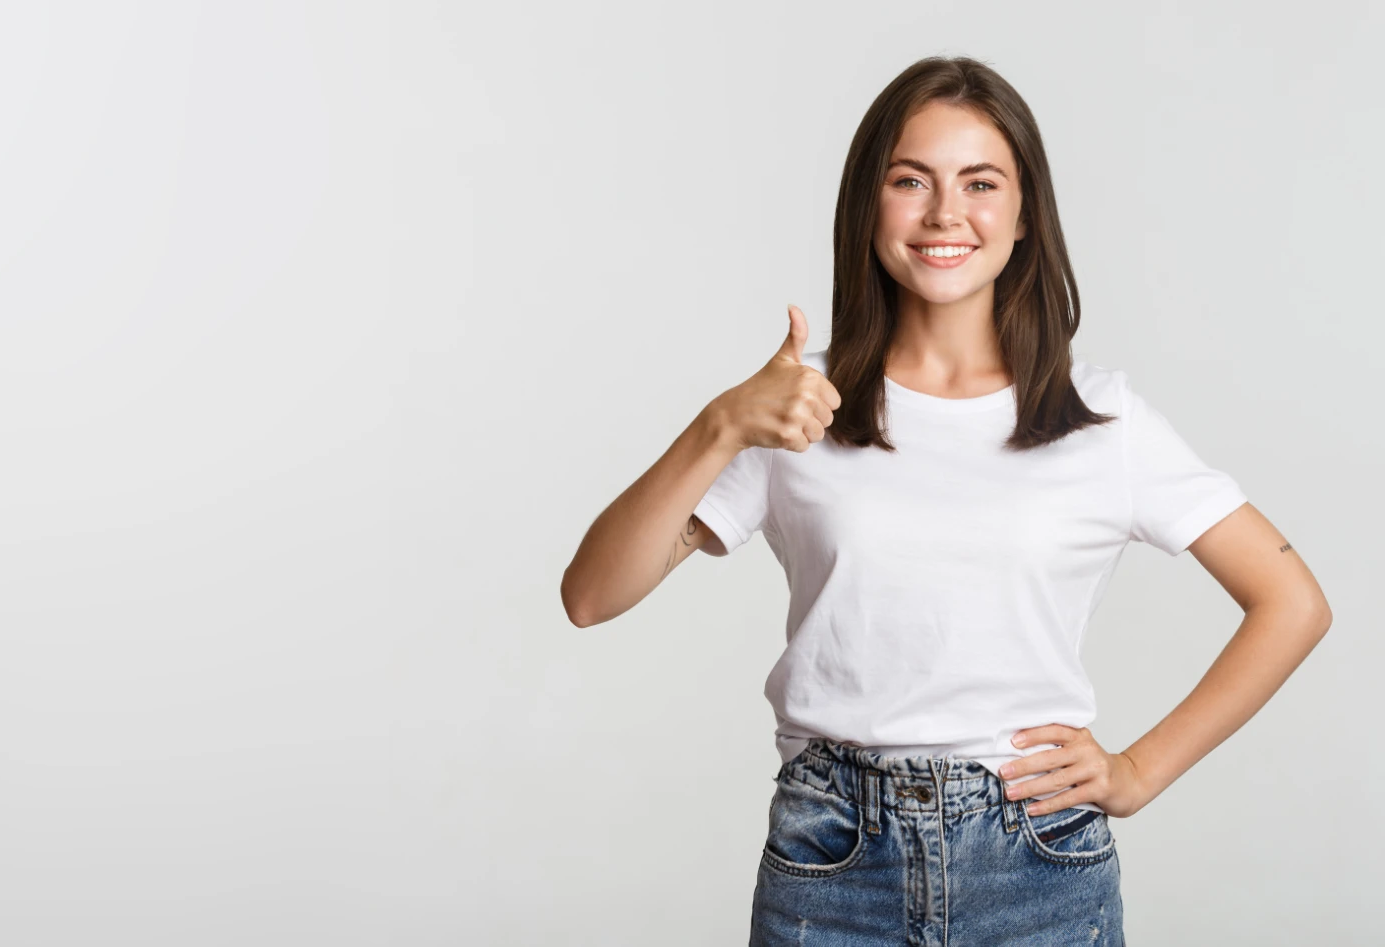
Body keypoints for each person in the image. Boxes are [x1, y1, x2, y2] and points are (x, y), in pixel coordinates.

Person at [558, 55, 1332, 945]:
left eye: (980, 183)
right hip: (832, 853)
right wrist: (720, 426)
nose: (944, 215)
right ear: (868, 204)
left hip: (1036, 860)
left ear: (1024, 214)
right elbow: (591, 596)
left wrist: (1137, 771)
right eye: (910, 180)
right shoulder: (798, 408)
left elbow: (1293, 603)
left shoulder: (1101, 419)